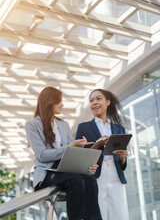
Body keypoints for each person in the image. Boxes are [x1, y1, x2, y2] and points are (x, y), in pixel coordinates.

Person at [25, 86, 102, 220]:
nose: (62, 104)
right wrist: (69, 147)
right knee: (75, 179)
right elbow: (42, 155)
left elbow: (72, 153)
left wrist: (86, 166)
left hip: (66, 169)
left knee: (90, 180)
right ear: (50, 102)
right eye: (59, 101)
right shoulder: (32, 124)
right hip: (47, 173)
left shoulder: (63, 124)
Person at [75, 89, 129, 220]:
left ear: (108, 102)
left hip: (116, 175)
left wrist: (122, 158)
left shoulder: (119, 129)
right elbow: (78, 156)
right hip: (95, 175)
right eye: (91, 100)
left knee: (119, 214)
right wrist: (97, 145)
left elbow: (122, 163)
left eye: (98, 99)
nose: (94, 103)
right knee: (98, 214)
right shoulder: (83, 127)